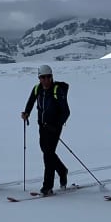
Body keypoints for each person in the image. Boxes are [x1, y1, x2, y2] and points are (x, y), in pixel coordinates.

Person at [21, 64, 71, 195]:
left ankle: (47, 186)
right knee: (46, 152)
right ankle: (62, 170)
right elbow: (31, 101)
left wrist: (57, 125)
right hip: (42, 126)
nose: (45, 80)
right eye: (42, 77)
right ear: (39, 78)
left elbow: (66, 111)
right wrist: (26, 113)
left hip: (54, 128)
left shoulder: (57, 90)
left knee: (48, 155)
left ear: (51, 77)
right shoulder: (37, 89)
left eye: (48, 77)